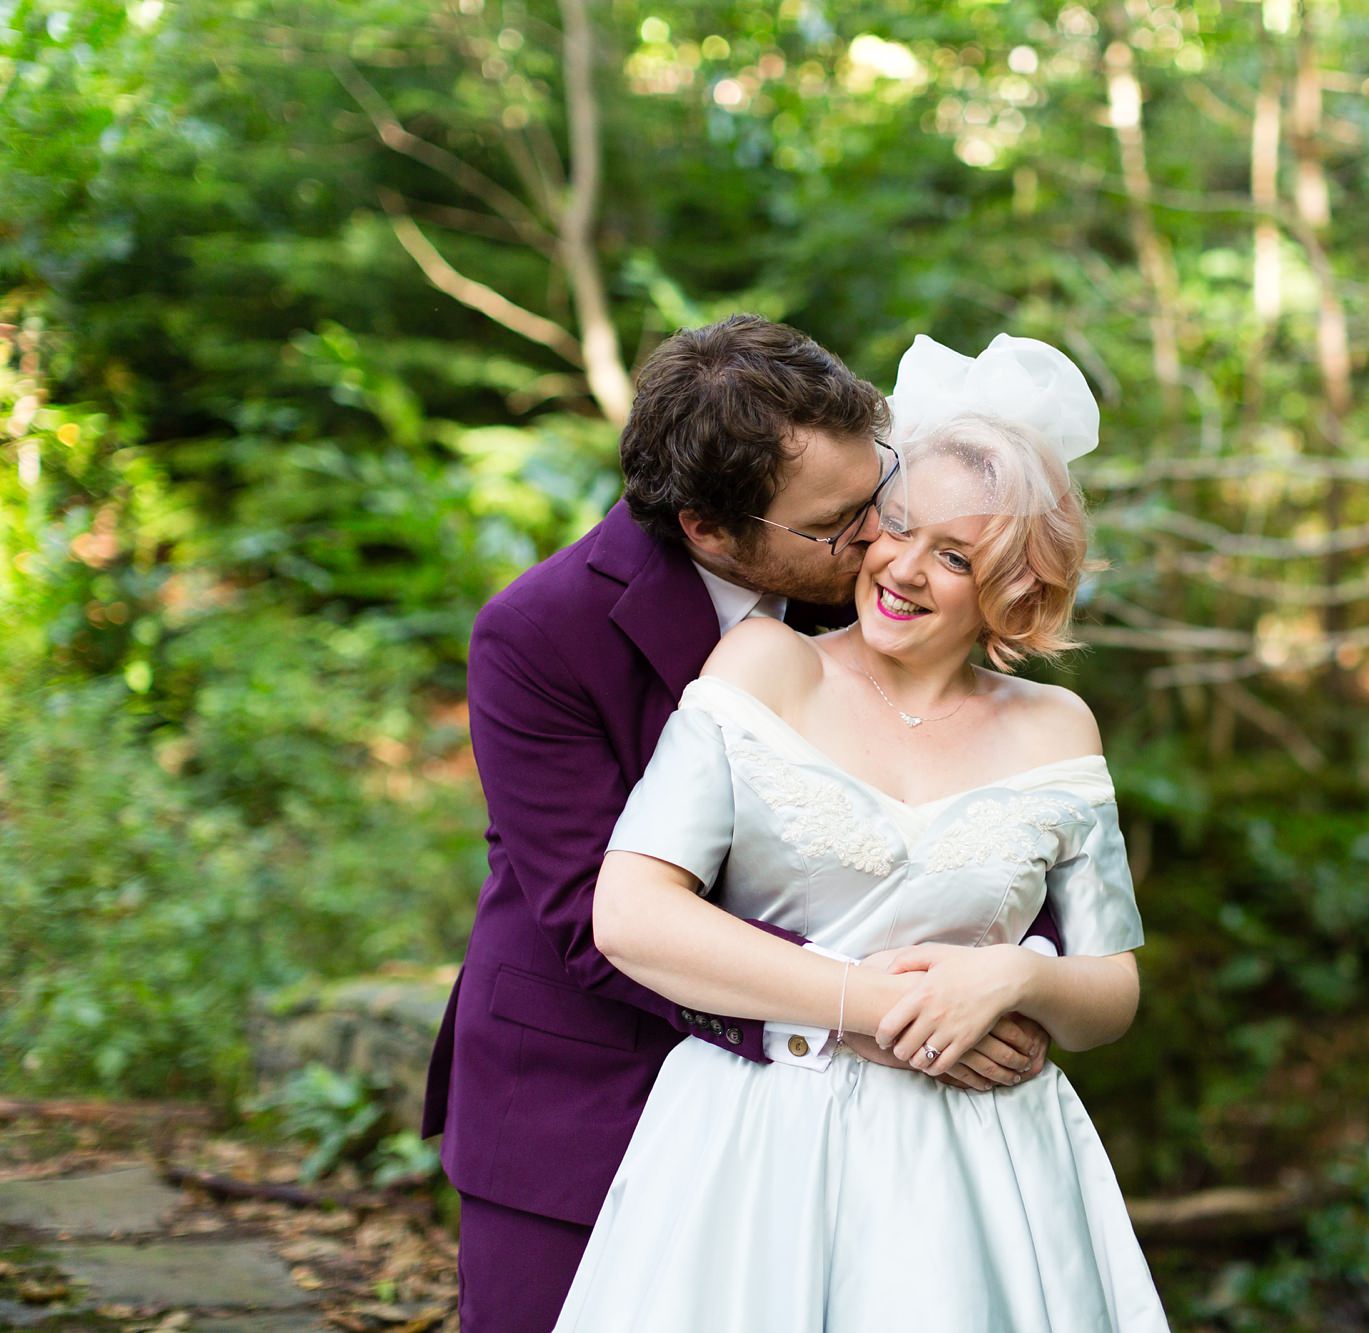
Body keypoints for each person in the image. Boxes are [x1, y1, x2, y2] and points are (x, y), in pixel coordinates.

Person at [420, 316, 1062, 1333]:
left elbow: (984, 786)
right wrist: (866, 1010)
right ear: (707, 529)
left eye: (879, 487)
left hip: (841, 1125)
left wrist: (1003, 975)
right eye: (838, 522)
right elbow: (597, 919)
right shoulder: (537, 637)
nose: (879, 537)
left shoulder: (880, 581)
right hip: (587, 1090)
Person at [556, 333, 1169, 1330]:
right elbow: (629, 914)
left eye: (955, 556)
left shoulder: (1056, 728)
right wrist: (874, 1005)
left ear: (1015, 586)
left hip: (984, 1163)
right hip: (760, 1143)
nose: (902, 566)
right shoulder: (767, 665)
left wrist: (1014, 978)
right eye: (893, 525)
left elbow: (1110, 994)